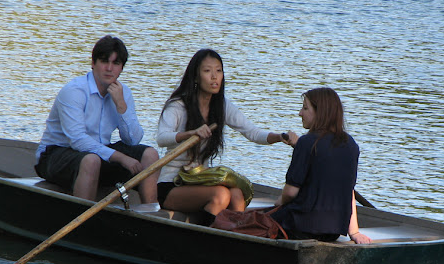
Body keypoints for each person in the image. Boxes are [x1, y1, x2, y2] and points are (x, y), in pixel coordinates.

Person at [156, 48, 287, 224]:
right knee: (221, 194)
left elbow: (253, 133)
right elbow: (162, 138)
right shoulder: (178, 105)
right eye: (207, 71)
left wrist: (279, 136)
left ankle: (232, 238)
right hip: (173, 185)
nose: (214, 77)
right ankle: (203, 239)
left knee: (236, 194)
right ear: (195, 77)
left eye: (218, 71)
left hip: (199, 181)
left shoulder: (221, 105)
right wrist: (190, 134)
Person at [34, 35, 159, 202]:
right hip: (55, 155)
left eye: (115, 63)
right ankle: (83, 221)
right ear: (93, 64)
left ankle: (149, 215)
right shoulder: (74, 91)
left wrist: (121, 106)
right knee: (91, 160)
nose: (109, 68)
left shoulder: (123, 93)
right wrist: (121, 158)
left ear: (121, 68)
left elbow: (133, 139)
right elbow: (78, 141)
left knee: (150, 154)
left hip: (99, 152)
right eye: (104, 61)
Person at [273, 87, 372, 244]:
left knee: (256, 221)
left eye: (305, 108)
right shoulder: (351, 145)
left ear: (320, 112)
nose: (300, 113)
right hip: (332, 231)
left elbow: (290, 193)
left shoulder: (306, 143)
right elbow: (348, 192)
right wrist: (354, 232)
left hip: (300, 226)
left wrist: (280, 202)